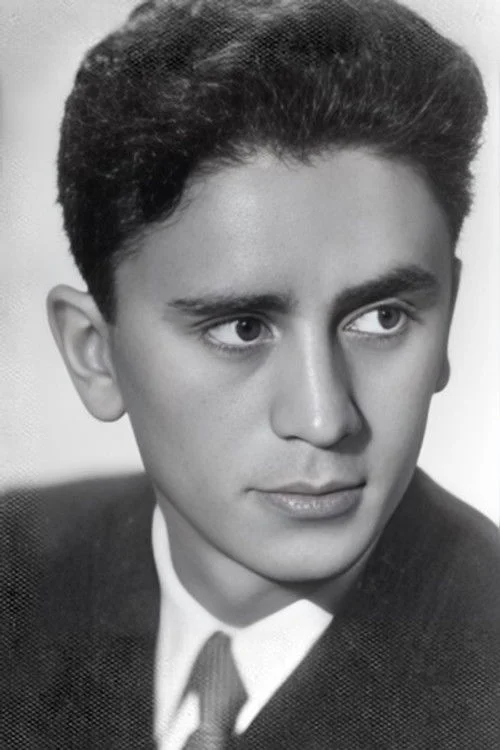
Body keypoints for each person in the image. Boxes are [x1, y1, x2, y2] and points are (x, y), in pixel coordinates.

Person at [2, 0, 499, 747]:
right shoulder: (15, 577)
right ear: (93, 353)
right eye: (242, 328)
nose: (324, 418)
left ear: (450, 314)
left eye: (382, 318)